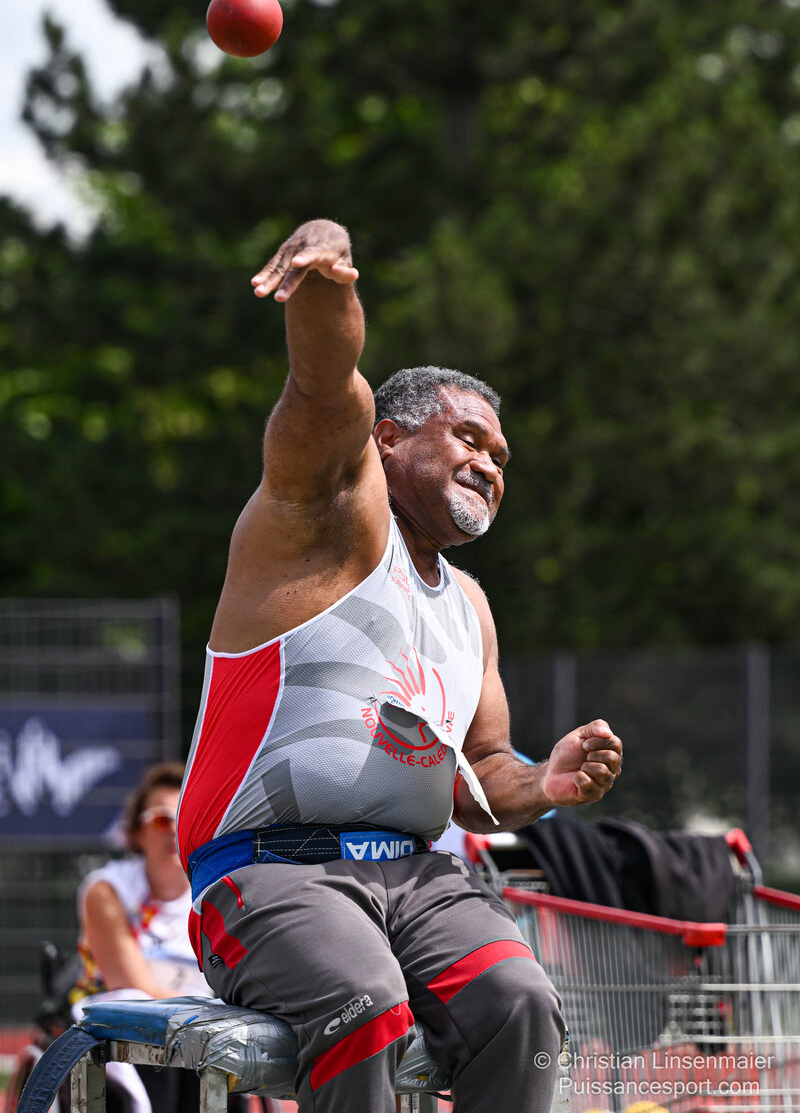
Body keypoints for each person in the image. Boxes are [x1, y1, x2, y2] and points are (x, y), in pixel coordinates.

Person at [176, 219, 623, 1113]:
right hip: (271, 874)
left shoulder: (470, 608)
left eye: (500, 457)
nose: (488, 465)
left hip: (418, 878)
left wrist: (547, 781)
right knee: (365, 1007)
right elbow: (323, 386)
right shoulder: (323, 521)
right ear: (385, 441)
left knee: (526, 1008)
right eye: (468, 439)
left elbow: (480, 780)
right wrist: (328, 273)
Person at [70, 762, 213, 1113]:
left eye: (183, 818)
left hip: (203, 1033)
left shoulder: (216, 895)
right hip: (122, 1028)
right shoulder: (106, 891)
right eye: (161, 820)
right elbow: (134, 986)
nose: (174, 829)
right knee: (143, 1013)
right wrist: (215, 1011)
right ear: (136, 833)